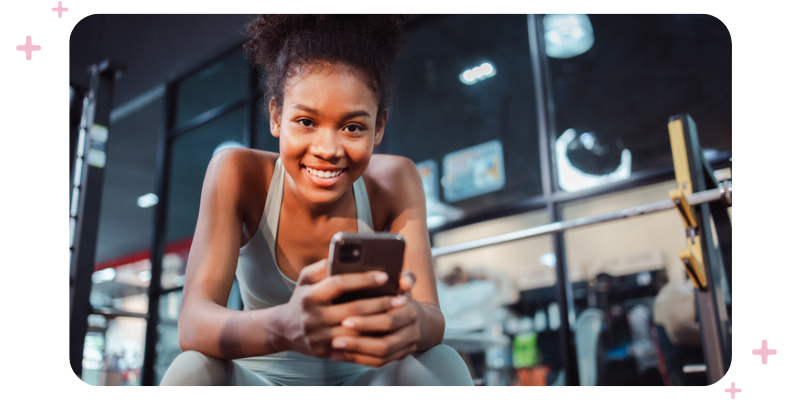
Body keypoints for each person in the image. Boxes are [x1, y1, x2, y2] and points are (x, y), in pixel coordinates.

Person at [159, 15, 473, 386]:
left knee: (443, 360)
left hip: (364, 382)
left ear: (379, 127)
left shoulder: (396, 180)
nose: (327, 149)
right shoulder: (236, 172)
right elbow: (193, 324)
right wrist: (284, 325)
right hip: (258, 382)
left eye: (353, 127)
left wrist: (411, 320)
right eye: (306, 122)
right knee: (191, 368)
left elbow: (432, 318)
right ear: (276, 116)